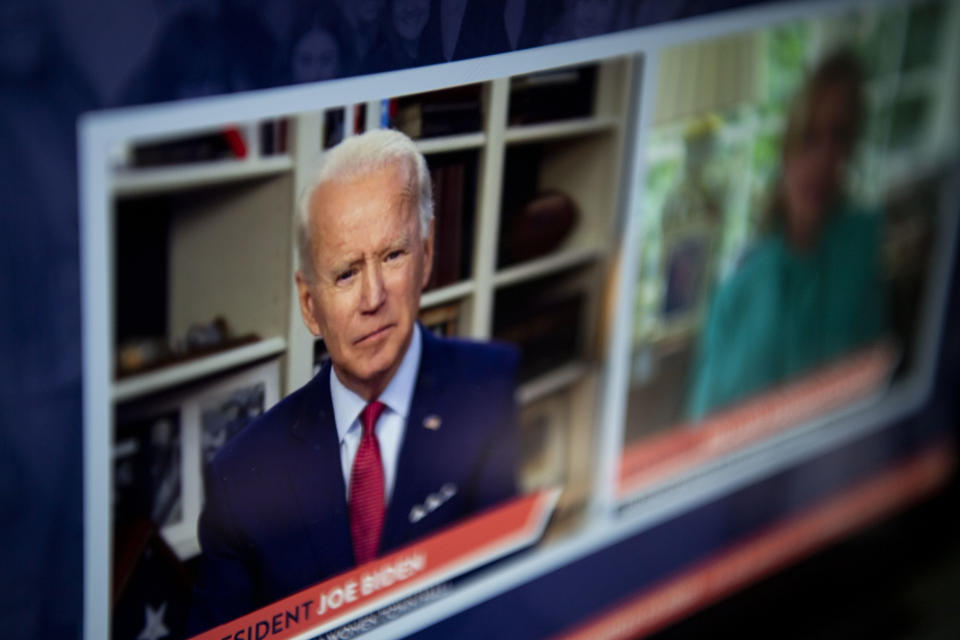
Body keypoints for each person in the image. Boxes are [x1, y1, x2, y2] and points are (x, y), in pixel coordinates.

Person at [187, 129, 520, 633]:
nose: (373, 298)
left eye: (393, 256)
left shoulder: (490, 388)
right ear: (308, 305)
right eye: (345, 273)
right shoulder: (241, 476)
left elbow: (512, 603)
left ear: (427, 256)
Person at [686, 50, 889, 421]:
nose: (825, 158)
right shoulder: (740, 290)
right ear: (788, 149)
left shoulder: (867, 250)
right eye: (811, 138)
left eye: (840, 138)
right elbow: (706, 426)